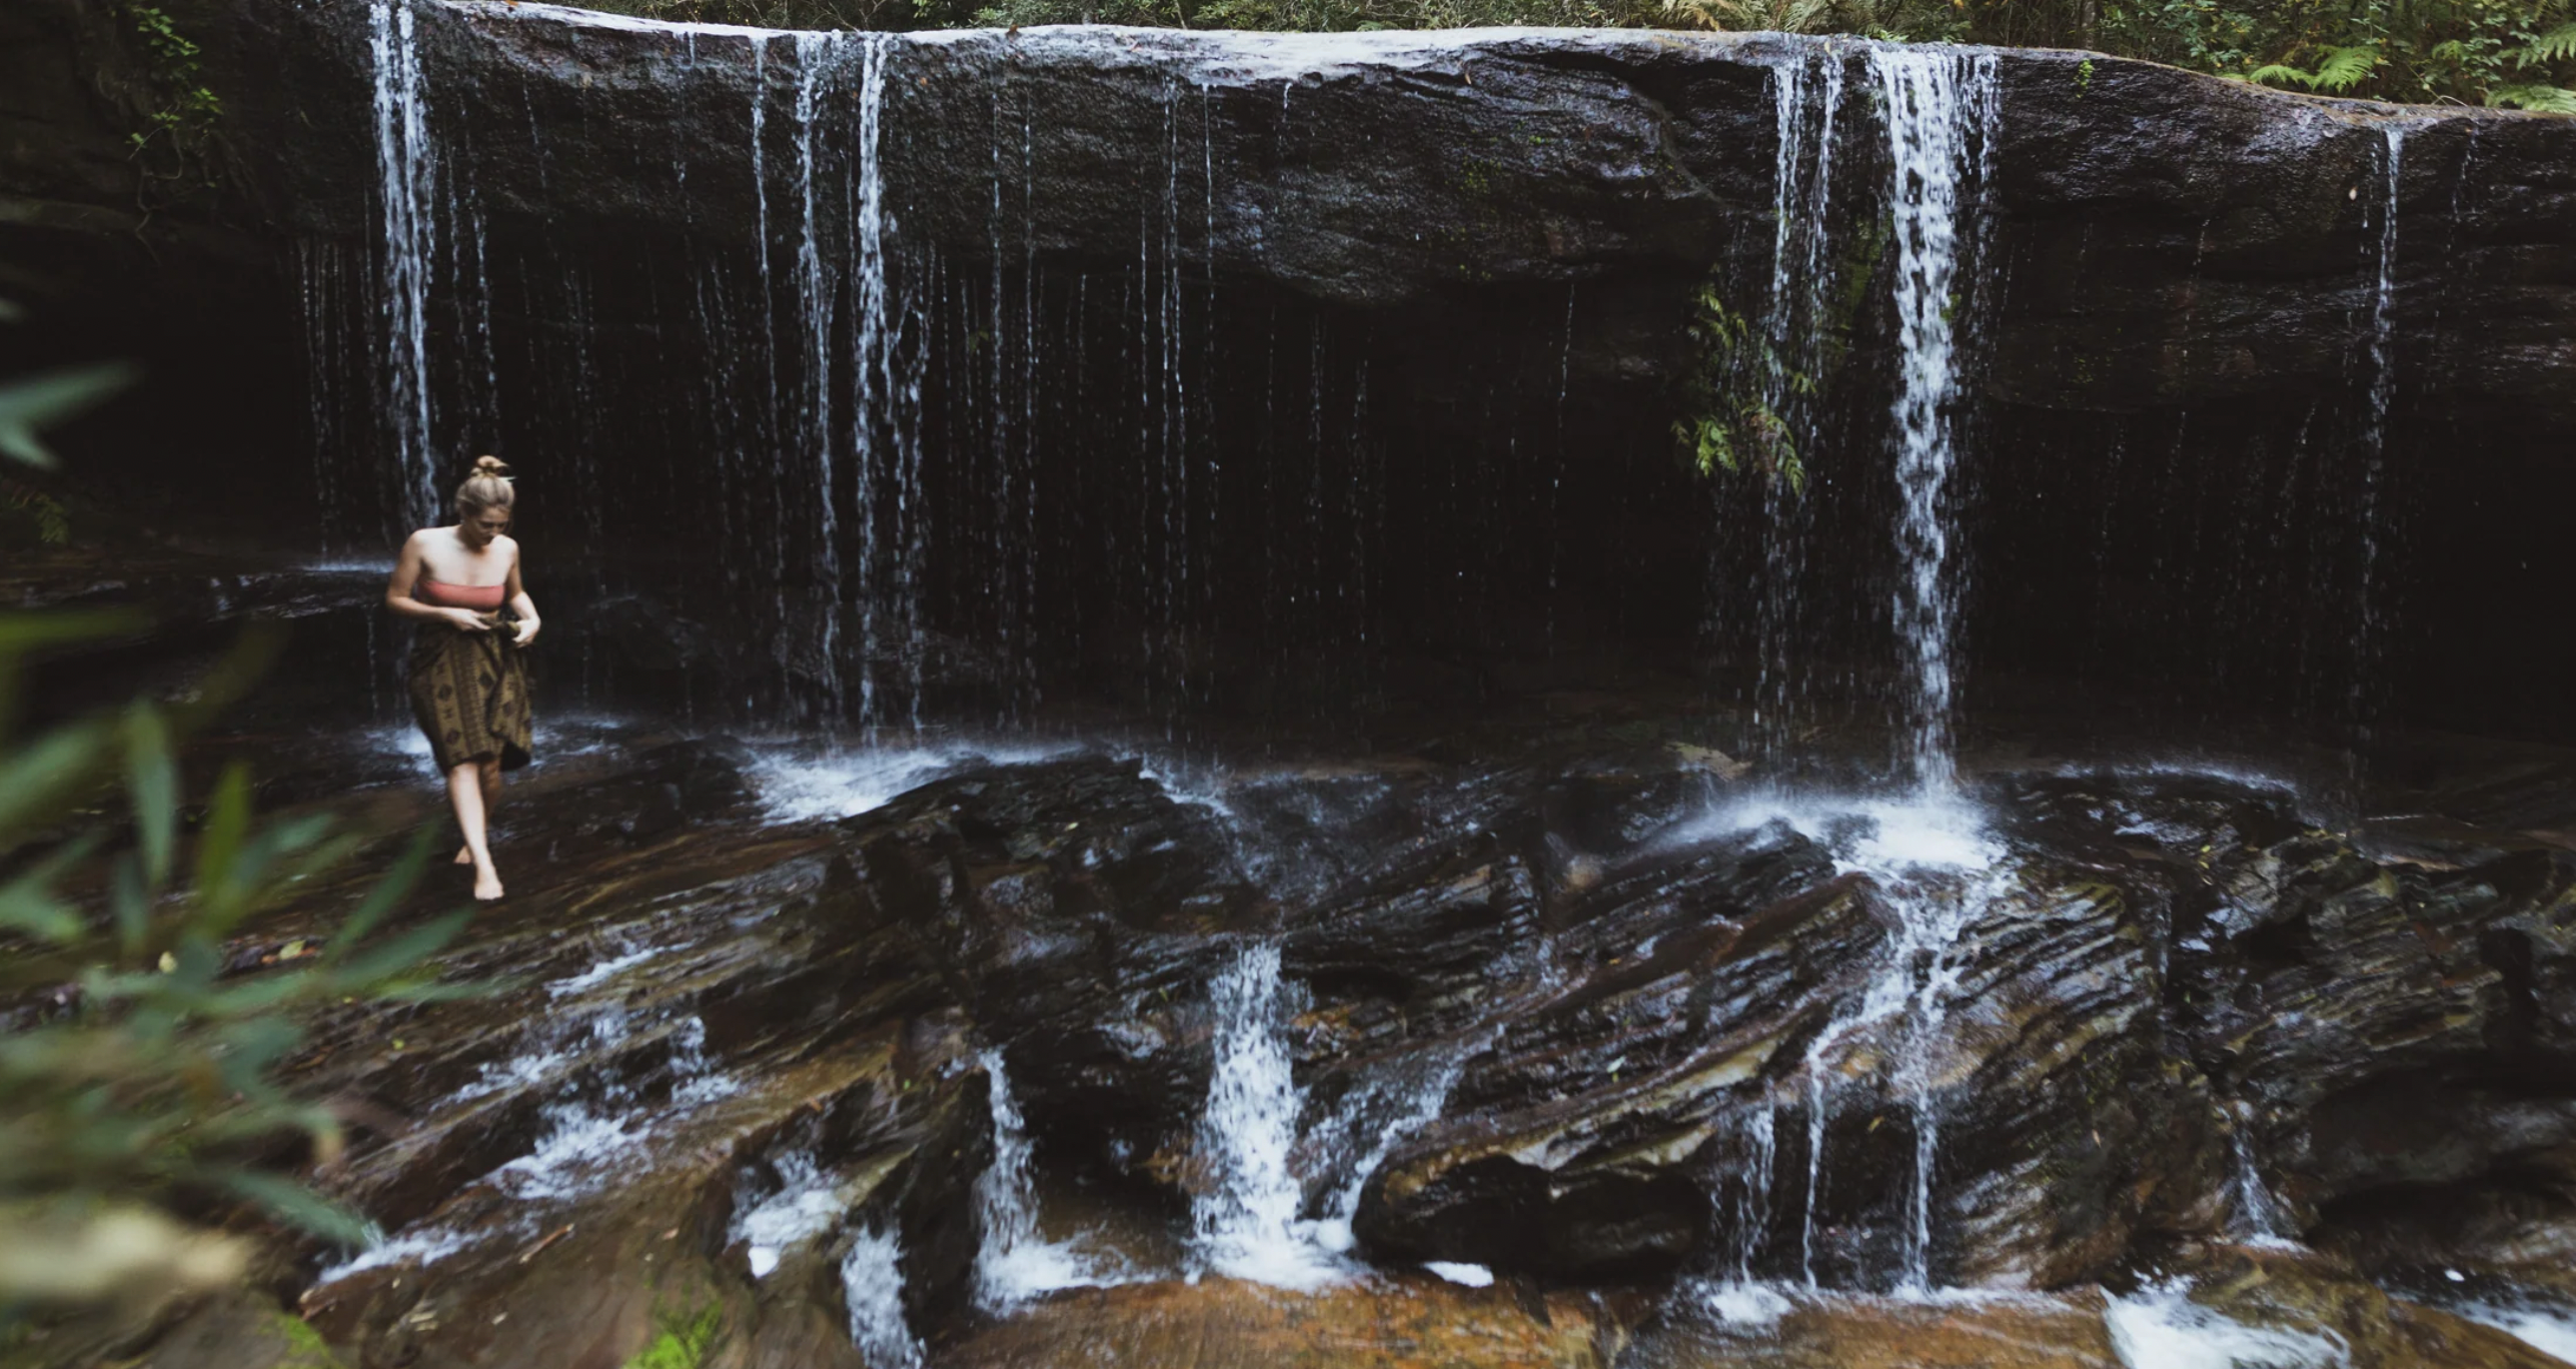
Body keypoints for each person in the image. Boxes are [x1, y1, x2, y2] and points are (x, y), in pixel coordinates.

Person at [385, 456, 541, 901]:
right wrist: (444, 612)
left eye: (502, 525)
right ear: (464, 512)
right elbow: (395, 599)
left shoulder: (507, 549)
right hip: (438, 657)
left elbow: (516, 593)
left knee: (490, 765)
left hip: (494, 655)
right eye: (486, 524)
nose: (494, 533)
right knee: (461, 759)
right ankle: (484, 862)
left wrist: (532, 620)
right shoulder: (424, 543)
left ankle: (477, 833)